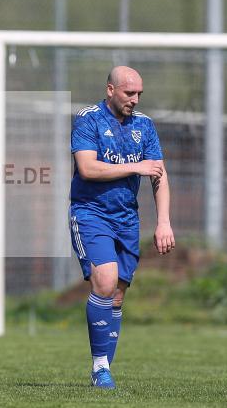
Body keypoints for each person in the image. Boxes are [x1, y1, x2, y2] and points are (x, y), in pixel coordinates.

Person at [69, 66, 174, 390]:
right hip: (91, 213)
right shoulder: (88, 119)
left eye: (139, 93)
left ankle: (103, 370)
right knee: (105, 280)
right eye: (129, 93)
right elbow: (87, 168)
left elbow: (158, 175)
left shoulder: (145, 125)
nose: (135, 99)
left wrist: (164, 222)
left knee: (116, 296)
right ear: (110, 90)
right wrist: (135, 166)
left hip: (127, 218)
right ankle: (100, 367)